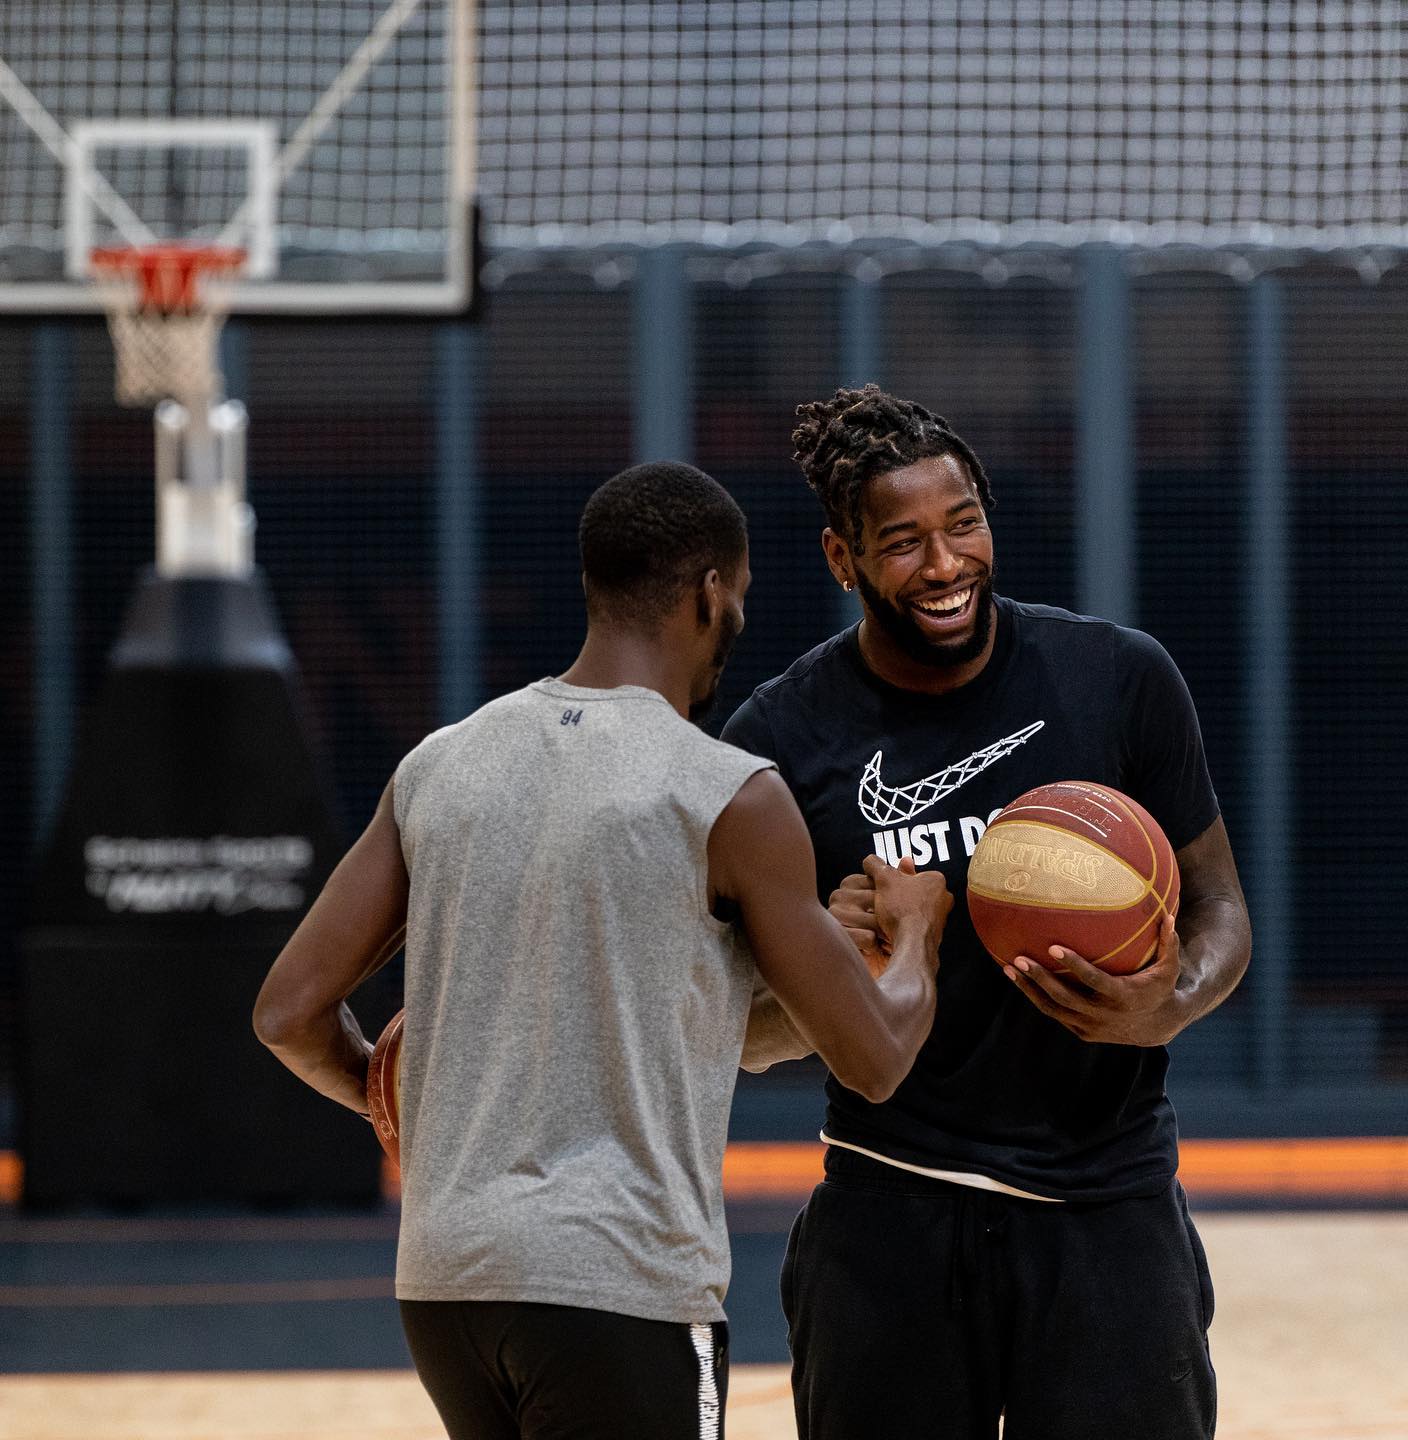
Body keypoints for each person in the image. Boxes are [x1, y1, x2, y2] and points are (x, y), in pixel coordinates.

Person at [252, 460, 951, 1440]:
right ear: (712, 594)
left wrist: (391, 1092)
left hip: (448, 1287)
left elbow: (286, 1012)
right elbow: (876, 1058)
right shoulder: (728, 791)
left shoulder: (443, 763)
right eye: (738, 602)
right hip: (619, 1288)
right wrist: (916, 933)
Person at [722, 387, 1252, 1440]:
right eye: (904, 541)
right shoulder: (778, 740)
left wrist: (1170, 1002)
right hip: (890, 1205)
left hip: (1108, 1204)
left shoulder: (1120, 679)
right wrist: (832, 967)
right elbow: (741, 1038)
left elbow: (1223, 910)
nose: (946, 564)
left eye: (963, 524)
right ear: (843, 559)